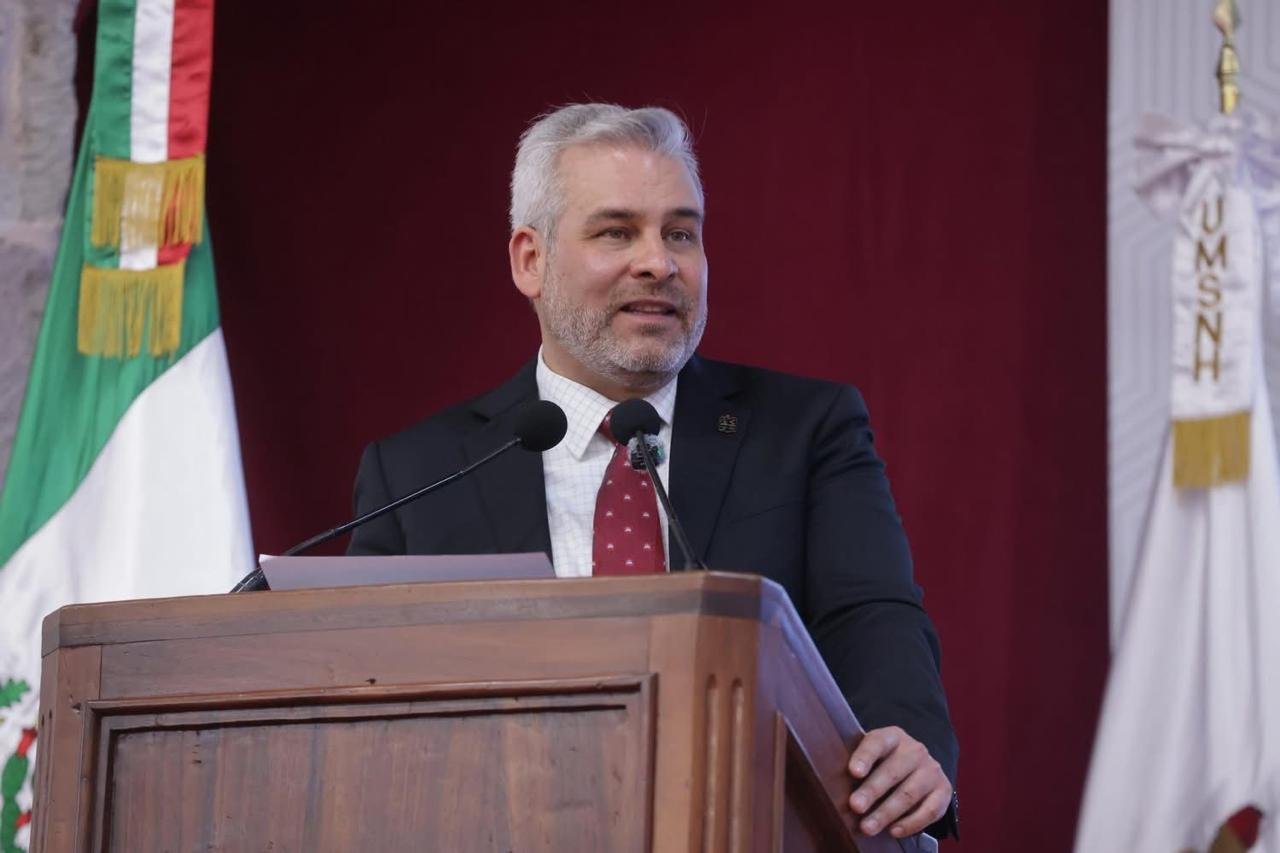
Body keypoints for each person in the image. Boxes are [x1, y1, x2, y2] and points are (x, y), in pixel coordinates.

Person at [348, 103, 958, 840]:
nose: (659, 263)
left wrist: (903, 738)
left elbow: (873, 616)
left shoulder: (804, 430)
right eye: (616, 231)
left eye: (680, 233)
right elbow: (356, 695)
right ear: (530, 260)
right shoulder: (418, 471)